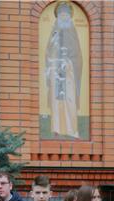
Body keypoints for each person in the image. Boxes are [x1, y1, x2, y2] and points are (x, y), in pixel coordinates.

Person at [45, 1, 83, 139]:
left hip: (69, 72)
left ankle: (71, 129)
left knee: (69, 99)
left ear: (69, 16)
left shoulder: (73, 32)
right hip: (56, 71)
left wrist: (70, 62)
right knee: (56, 100)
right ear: (57, 16)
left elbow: (78, 54)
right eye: (61, 14)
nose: (64, 16)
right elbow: (48, 52)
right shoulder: (54, 32)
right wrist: (52, 64)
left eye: (66, 14)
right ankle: (56, 129)